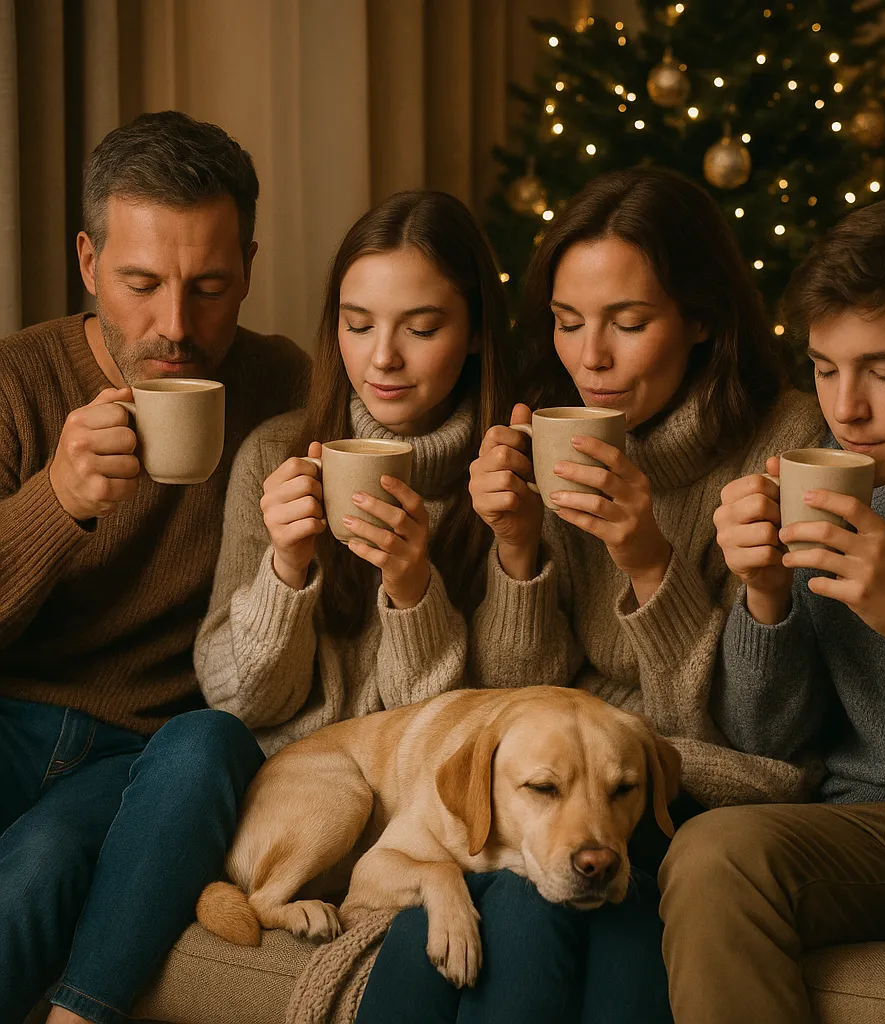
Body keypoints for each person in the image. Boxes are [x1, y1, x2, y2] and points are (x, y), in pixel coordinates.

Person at [357, 167, 824, 1024]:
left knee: (542, 922)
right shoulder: (549, 430)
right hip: (564, 775)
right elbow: (513, 694)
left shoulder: (787, 440)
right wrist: (519, 548)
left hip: (693, 785)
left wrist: (649, 560)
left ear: (702, 319)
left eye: (629, 322)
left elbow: (759, 726)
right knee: (491, 921)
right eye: (568, 324)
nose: (590, 358)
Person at [661, 195, 885, 1023]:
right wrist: (764, 600)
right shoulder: (824, 489)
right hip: (854, 827)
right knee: (715, 850)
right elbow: (765, 745)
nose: (844, 407)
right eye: (825, 368)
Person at [0, 111, 309, 1024]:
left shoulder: (285, 386)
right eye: (140, 284)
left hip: (152, 745)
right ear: (90, 263)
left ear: (249, 264)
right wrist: (56, 500)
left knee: (58, 850)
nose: (176, 326)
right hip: (11, 716)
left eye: (210, 286)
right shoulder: (16, 382)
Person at [195, 188, 513, 752]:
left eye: (420, 329)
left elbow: (507, 716)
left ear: (477, 332)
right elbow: (236, 704)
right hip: (295, 780)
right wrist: (286, 569)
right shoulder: (276, 454)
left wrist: (414, 591)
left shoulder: (511, 476)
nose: (383, 357)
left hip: (433, 784)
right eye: (359, 325)